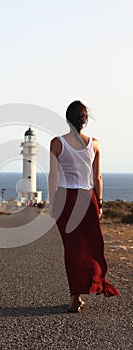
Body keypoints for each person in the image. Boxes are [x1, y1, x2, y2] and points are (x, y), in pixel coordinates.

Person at [49, 100, 120, 313]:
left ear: (67, 119)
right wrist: (99, 203)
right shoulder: (94, 144)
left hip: (65, 198)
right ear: (84, 120)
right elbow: (97, 177)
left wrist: (52, 204)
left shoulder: (56, 143)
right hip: (87, 198)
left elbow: (53, 176)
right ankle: (93, 283)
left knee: (72, 249)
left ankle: (75, 296)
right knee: (90, 247)